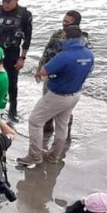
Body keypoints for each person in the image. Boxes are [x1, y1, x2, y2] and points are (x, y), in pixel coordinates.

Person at [18, 25, 93, 167]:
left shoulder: (64, 56)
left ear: (66, 37)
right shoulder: (89, 54)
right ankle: (54, 156)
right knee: (62, 125)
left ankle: (35, 156)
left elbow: (44, 71)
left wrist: (41, 73)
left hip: (58, 95)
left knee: (35, 121)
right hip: (75, 94)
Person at [37, 10, 91, 135]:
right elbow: (47, 51)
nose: (63, 24)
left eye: (67, 22)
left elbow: (86, 59)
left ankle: (66, 134)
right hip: (50, 73)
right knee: (46, 102)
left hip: (68, 78)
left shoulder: (82, 39)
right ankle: (47, 129)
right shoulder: (57, 34)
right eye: (63, 21)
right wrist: (40, 68)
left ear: (75, 24)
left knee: (65, 109)